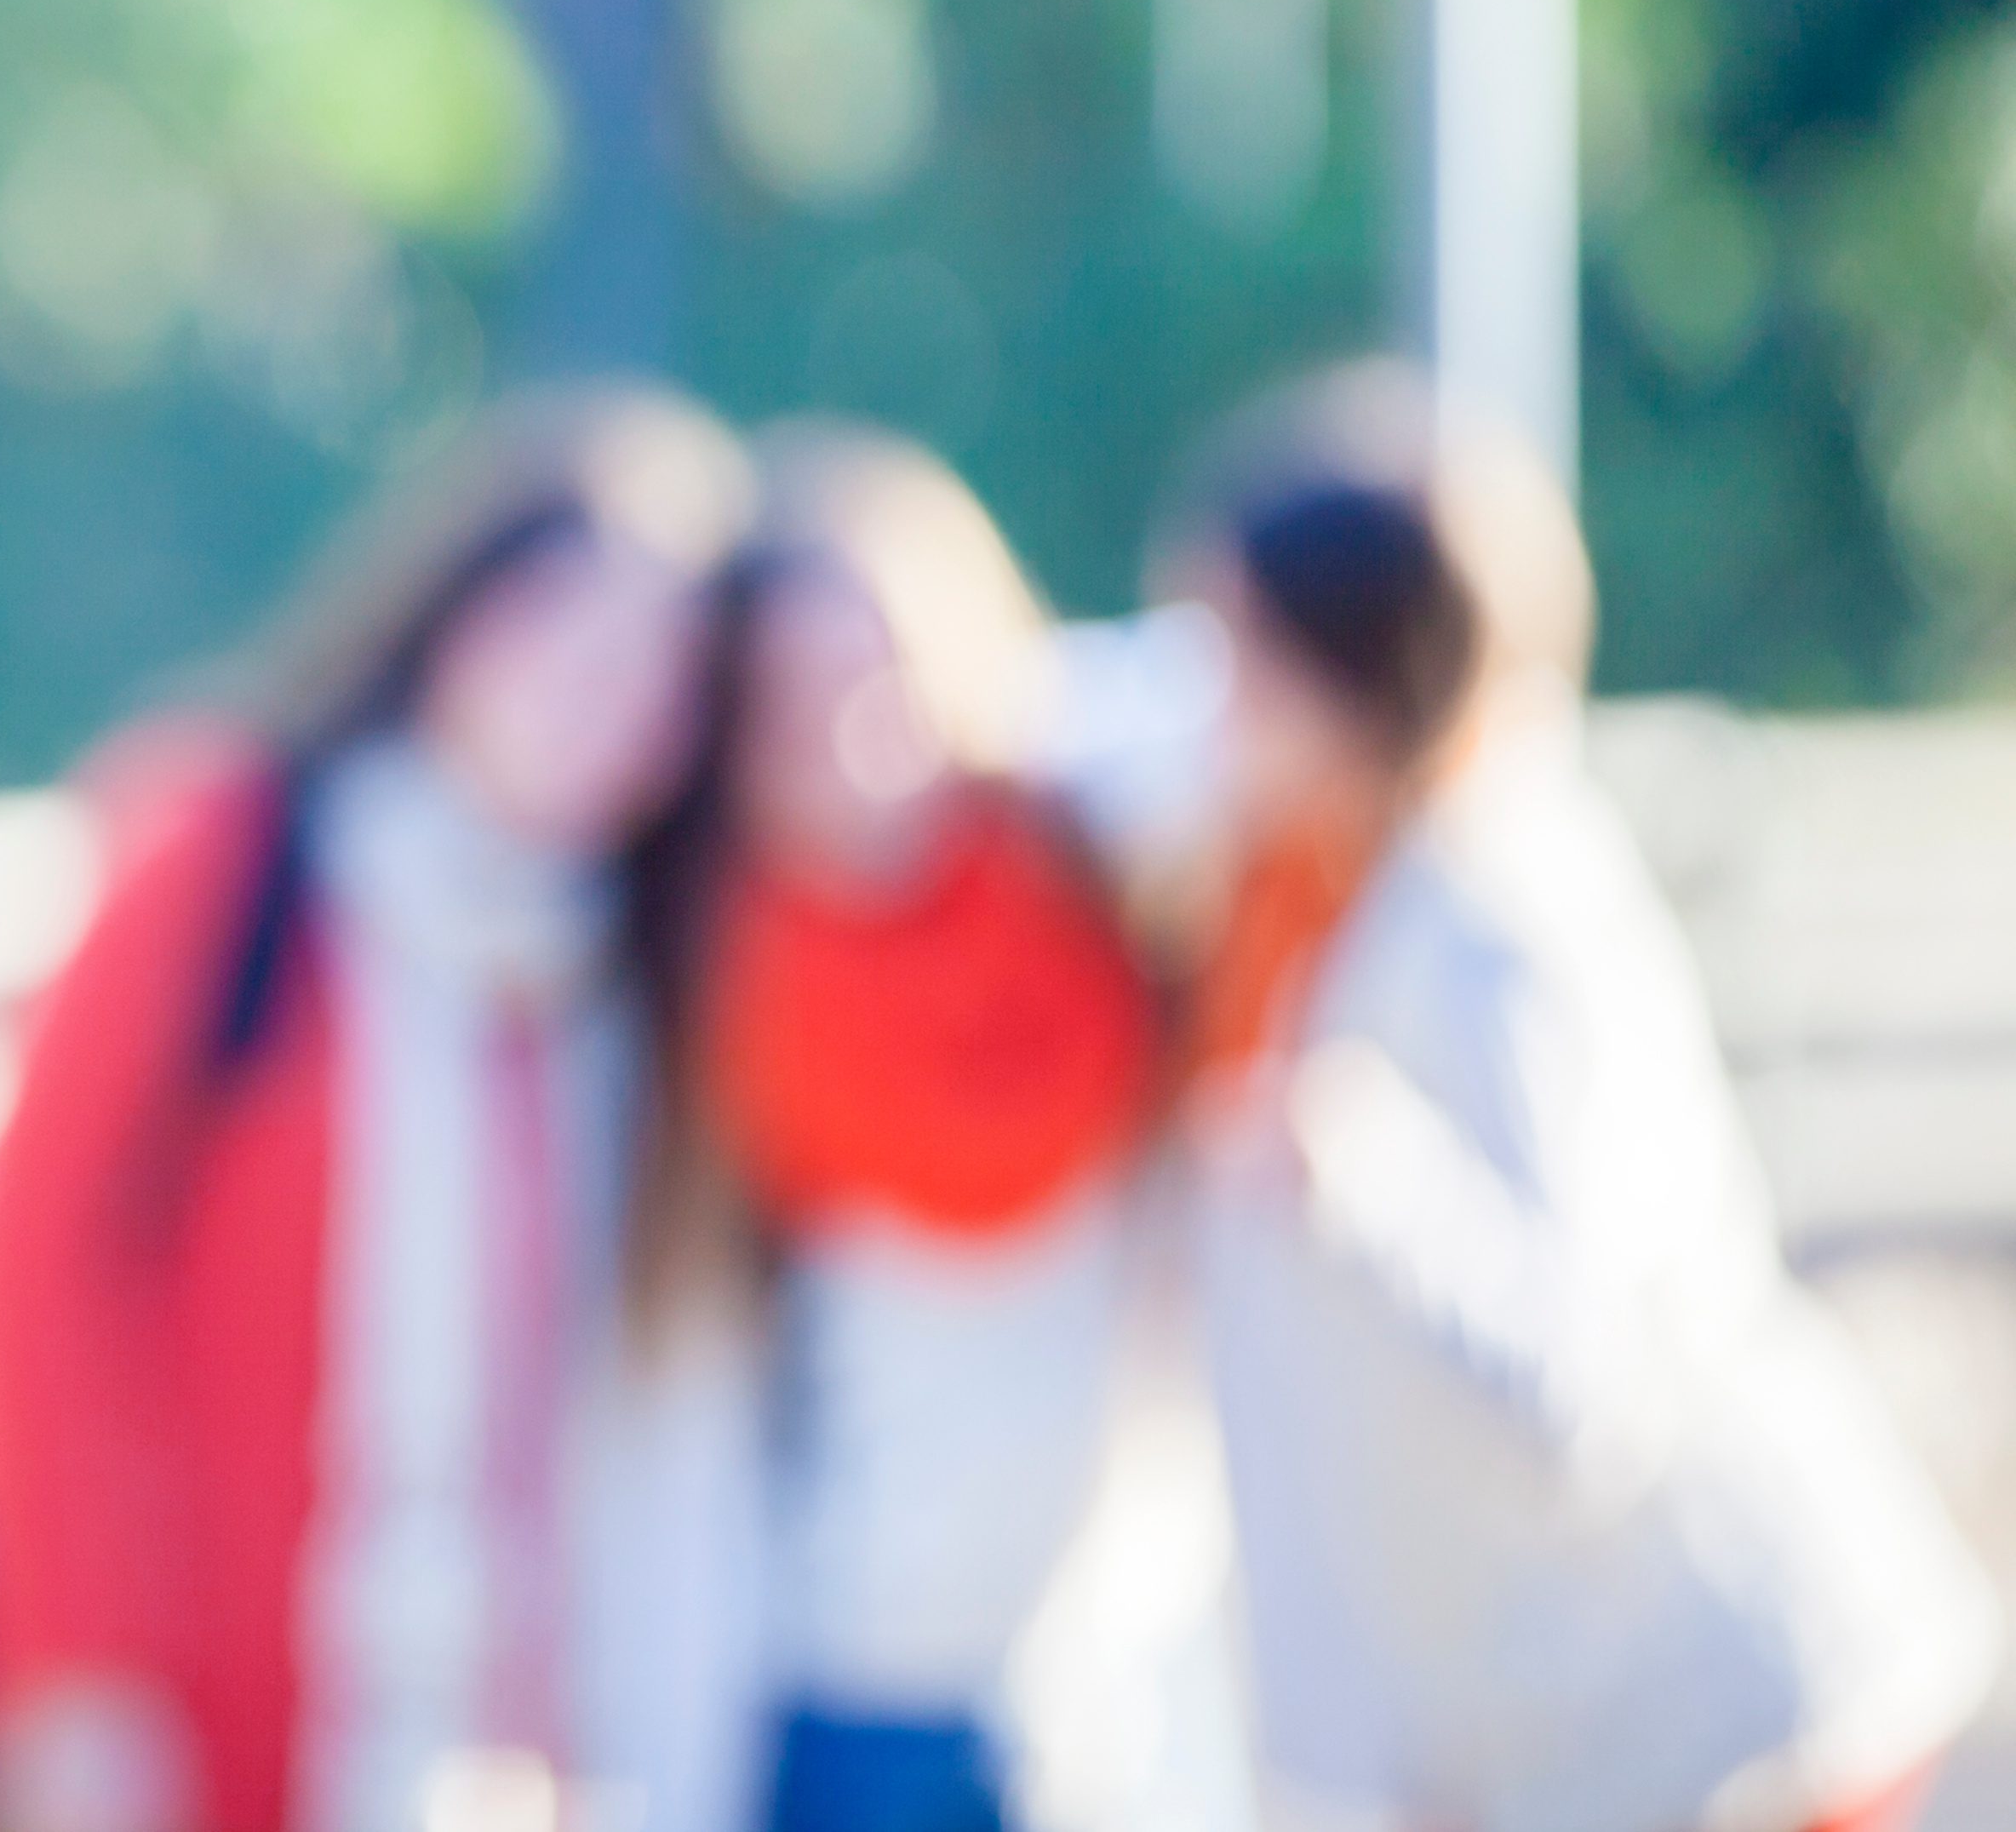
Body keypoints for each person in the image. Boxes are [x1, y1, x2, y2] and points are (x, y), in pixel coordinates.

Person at [0, 388, 769, 1832]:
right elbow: (24, 1270)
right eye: (567, 632)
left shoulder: (625, 973)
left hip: (458, 1743)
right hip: (169, 1707)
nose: (608, 699)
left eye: (667, 673)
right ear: (452, 622)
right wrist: (75, 1679)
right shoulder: (232, 844)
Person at [1170, 369, 1994, 1832]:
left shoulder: (1498, 920)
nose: (1209, 697)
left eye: (1244, 652)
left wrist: (1370, 1185)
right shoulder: (1368, 875)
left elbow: (1589, 1381)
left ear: (1362, 669)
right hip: (1618, 1728)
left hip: (1722, 1715)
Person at [665, 426, 1158, 1832]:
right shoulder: (707, 986)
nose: (849, 725)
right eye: (791, 691)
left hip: (1095, 1667)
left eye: (881, 662)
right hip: (834, 1683)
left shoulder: (1099, 879)